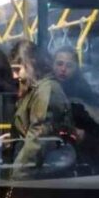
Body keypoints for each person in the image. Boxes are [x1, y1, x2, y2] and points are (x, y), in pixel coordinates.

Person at [7, 39, 74, 177]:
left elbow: (38, 138)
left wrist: (17, 176)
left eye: (17, 69)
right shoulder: (34, 89)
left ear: (31, 64)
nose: (14, 75)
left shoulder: (46, 90)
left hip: (45, 172)